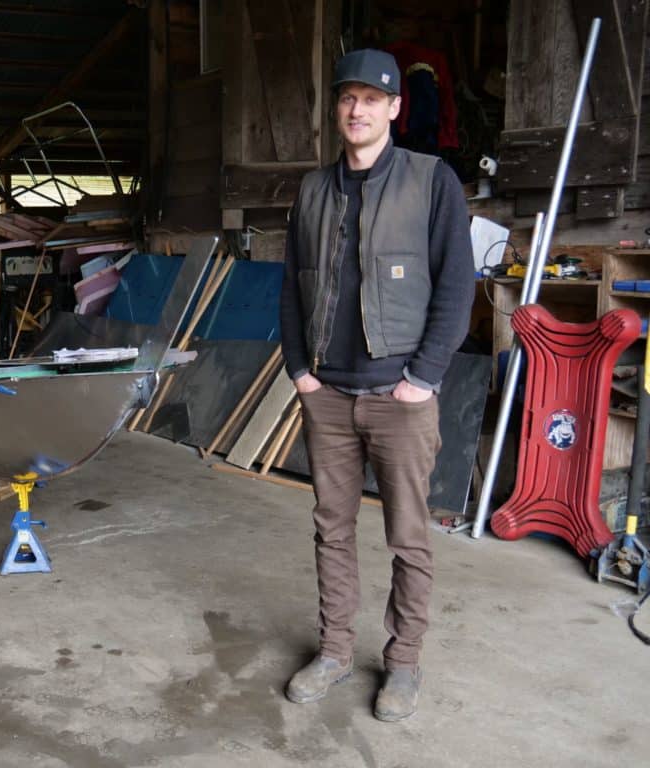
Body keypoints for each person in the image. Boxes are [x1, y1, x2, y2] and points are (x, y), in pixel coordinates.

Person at [279, 48, 474, 722]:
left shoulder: (431, 180)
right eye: (347, 97)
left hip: (400, 398)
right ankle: (334, 650)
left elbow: (457, 286)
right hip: (328, 397)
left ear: (394, 107)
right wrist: (300, 371)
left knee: (408, 536)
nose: (356, 109)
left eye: (370, 98)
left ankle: (403, 663)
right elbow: (291, 287)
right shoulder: (312, 190)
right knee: (331, 529)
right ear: (336, 109)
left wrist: (424, 378)